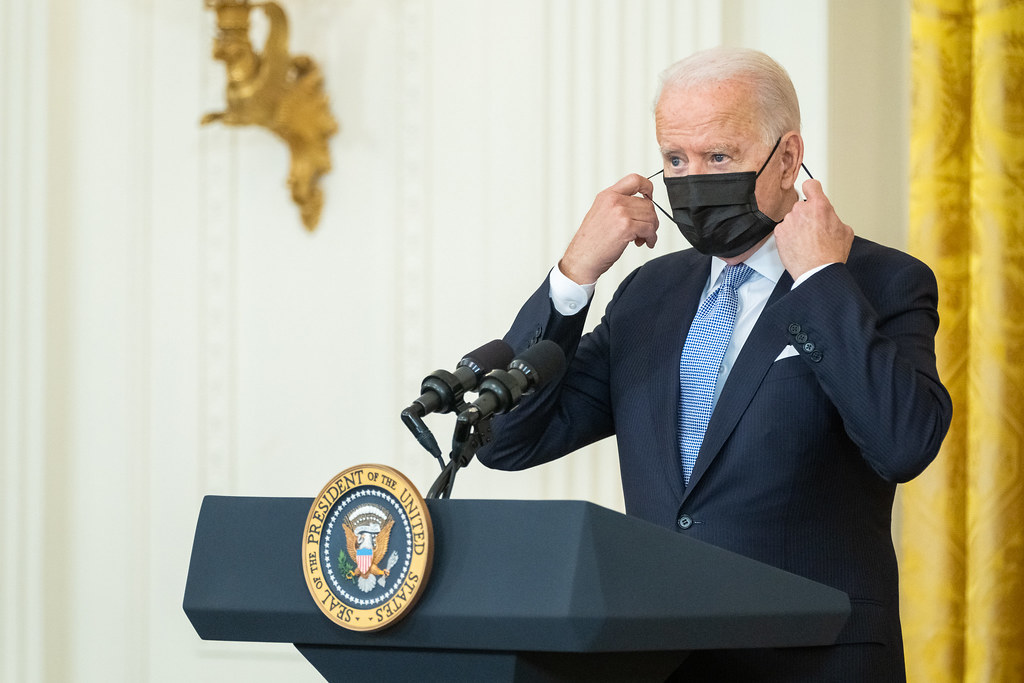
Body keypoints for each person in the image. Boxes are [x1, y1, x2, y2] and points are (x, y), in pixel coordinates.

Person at [476, 47, 952, 682]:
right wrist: (574, 276)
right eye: (676, 159)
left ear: (787, 158)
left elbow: (904, 444)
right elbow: (508, 439)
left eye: (718, 157)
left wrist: (819, 281)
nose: (692, 179)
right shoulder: (649, 295)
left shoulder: (879, 281)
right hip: (660, 661)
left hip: (813, 661)